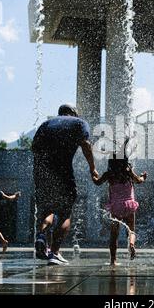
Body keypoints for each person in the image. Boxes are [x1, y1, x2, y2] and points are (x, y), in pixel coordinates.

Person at [32, 104, 98, 266]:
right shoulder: (79, 123)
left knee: (48, 210)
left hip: (42, 173)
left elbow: (34, 148)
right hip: (63, 173)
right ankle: (54, 253)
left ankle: (41, 234)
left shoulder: (46, 124)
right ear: (74, 113)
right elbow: (86, 145)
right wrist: (92, 168)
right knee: (65, 213)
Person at [92, 153, 147, 266]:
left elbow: (97, 182)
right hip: (129, 205)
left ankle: (113, 260)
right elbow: (138, 180)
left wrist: (93, 174)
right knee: (131, 230)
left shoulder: (109, 174)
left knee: (114, 234)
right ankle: (131, 244)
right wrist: (143, 177)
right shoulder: (128, 172)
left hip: (115, 206)